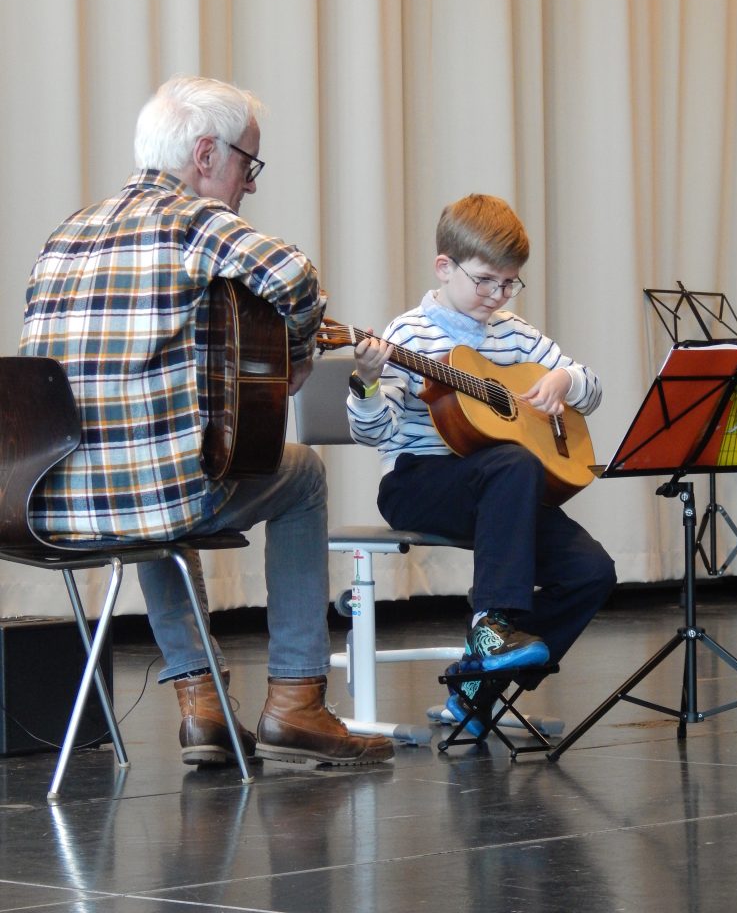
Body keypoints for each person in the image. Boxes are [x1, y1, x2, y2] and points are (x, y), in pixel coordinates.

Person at [19, 74, 393, 767]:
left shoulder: (66, 234)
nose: (249, 183)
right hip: (150, 497)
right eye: (248, 164)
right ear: (205, 154)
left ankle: (203, 707)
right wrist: (298, 355)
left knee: (155, 486)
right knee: (301, 476)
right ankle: (297, 701)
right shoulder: (193, 220)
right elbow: (294, 276)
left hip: (49, 502)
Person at [346, 193, 616, 733]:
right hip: (417, 483)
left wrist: (564, 380)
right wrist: (368, 383)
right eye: (485, 281)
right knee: (512, 462)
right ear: (444, 267)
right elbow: (373, 432)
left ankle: (474, 689)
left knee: (590, 572)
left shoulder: (513, 332)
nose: (496, 295)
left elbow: (591, 388)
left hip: (502, 490)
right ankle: (491, 625)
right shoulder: (407, 334)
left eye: (509, 283)